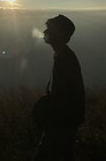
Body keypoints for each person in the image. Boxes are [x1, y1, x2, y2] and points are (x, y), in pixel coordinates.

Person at [33, 14, 85, 161]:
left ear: (60, 34)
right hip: (62, 123)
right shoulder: (62, 55)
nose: (44, 32)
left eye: (49, 29)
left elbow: (64, 97)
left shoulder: (65, 59)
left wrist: (43, 105)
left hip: (62, 124)